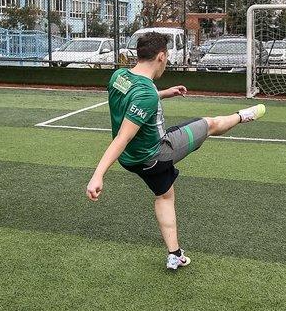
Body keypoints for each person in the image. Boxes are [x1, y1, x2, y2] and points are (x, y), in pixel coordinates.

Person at [86, 31, 266, 270]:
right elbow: (123, 136)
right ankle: (243, 116)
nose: (167, 60)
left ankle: (175, 254)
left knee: (165, 195)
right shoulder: (146, 94)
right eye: (167, 56)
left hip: (131, 160)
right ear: (161, 56)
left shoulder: (119, 76)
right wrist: (98, 175)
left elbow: (135, 99)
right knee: (209, 124)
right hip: (157, 153)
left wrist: (163, 93)